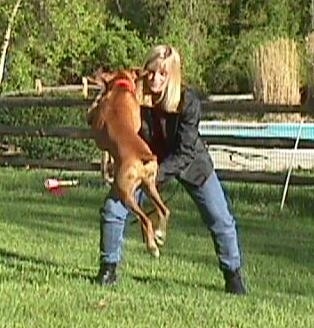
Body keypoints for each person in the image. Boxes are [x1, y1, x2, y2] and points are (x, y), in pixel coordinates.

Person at [95, 44, 247, 295]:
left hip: (190, 165)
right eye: (151, 72)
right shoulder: (135, 101)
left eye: (162, 74)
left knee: (220, 218)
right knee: (114, 208)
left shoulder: (188, 103)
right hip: (144, 164)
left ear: (173, 75)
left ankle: (233, 276)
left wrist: (155, 173)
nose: (155, 79)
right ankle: (108, 270)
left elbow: (185, 153)